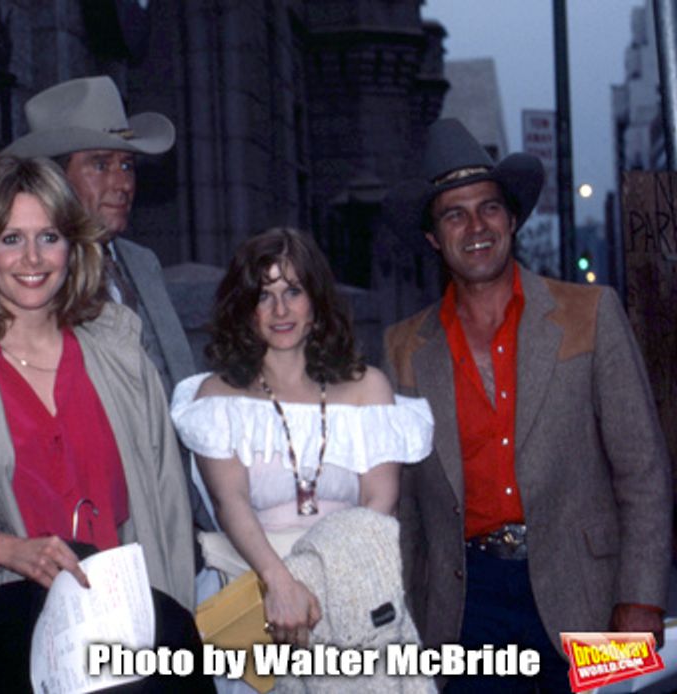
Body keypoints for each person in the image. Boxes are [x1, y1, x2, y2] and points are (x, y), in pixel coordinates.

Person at [0, 153, 204, 692]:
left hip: (129, 634)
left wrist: (170, 634)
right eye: (10, 239)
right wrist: (0, 547)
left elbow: (167, 511)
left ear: (73, 247)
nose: (32, 258)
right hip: (4, 637)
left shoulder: (124, 363)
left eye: (48, 237)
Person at [383, 118, 672, 691]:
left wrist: (641, 598)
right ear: (433, 239)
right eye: (454, 214)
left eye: (489, 208)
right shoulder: (402, 347)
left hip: (589, 594)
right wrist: (405, 623)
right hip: (466, 607)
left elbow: (643, 470)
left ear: (512, 218)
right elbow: (404, 507)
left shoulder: (589, 313)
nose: (476, 227)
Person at [170, 228, 433, 646]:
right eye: (263, 294)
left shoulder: (368, 389)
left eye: (293, 290)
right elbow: (229, 502)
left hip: (350, 590)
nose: (280, 309)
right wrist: (281, 584)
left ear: (316, 302)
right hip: (253, 597)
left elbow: (378, 505)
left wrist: (324, 584)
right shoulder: (218, 398)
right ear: (245, 308)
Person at [5, 74, 215, 535]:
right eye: (100, 165)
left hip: (172, 508)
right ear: (55, 179)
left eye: (127, 165)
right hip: (83, 519)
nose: (122, 182)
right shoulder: (28, 278)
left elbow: (178, 382)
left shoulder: (143, 263)